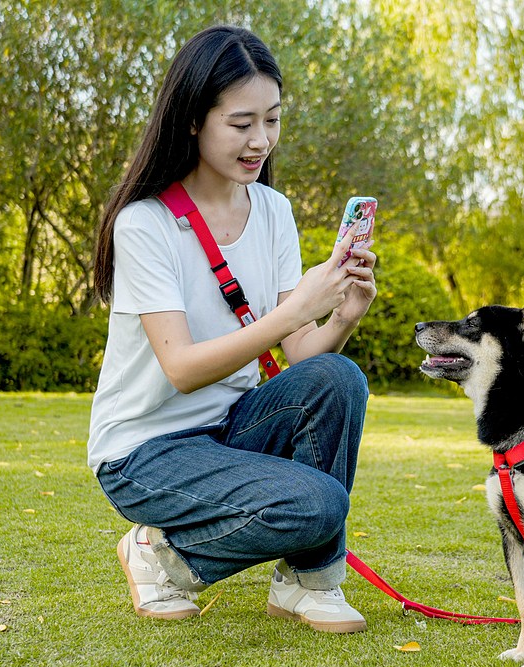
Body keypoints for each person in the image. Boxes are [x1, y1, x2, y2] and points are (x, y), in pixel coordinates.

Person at [87, 25, 377, 633]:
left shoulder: (273, 212)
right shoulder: (145, 225)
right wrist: (296, 308)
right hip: (146, 449)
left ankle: (308, 581)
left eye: (271, 121)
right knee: (320, 504)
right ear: (194, 119)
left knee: (337, 377)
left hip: (231, 428)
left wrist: (343, 315)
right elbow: (183, 367)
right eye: (242, 124)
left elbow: (300, 355)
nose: (261, 141)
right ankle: (159, 553)